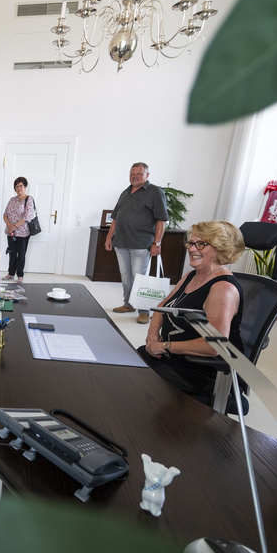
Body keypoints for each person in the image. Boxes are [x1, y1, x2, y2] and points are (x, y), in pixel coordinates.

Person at [137, 221, 245, 407]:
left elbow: (214, 346)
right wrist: (153, 333)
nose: (192, 248)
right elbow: (162, 306)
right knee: (124, 364)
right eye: (190, 243)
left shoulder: (223, 288)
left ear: (221, 248)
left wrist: (165, 345)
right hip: (173, 358)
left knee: (132, 382)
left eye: (201, 244)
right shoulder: (191, 276)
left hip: (202, 371)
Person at [104, 162, 168, 325]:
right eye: (132, 173)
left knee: (140, 279)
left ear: (147, 175)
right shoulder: (126, 192)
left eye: (139, 173)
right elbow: (116, 218)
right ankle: (129, 304)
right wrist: (109, 237)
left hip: (141, 243)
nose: (135, 176)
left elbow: (161, 220)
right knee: (126, 277)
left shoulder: (155, 192)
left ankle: (144, 311)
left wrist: (157, 243)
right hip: (121, 242)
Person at [2, 176, 36, 283]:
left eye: (21, 186)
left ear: (25, 187)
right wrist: (9, 226)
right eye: (16, 186)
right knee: (12, 252)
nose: (19, 188)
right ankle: (11, 273)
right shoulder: (12, 200)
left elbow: (27, 217)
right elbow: (5, 214)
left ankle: (20, 275)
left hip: (23, 232)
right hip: (11, 232)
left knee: (21, 254)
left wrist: (15, 226)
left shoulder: (29, 199)